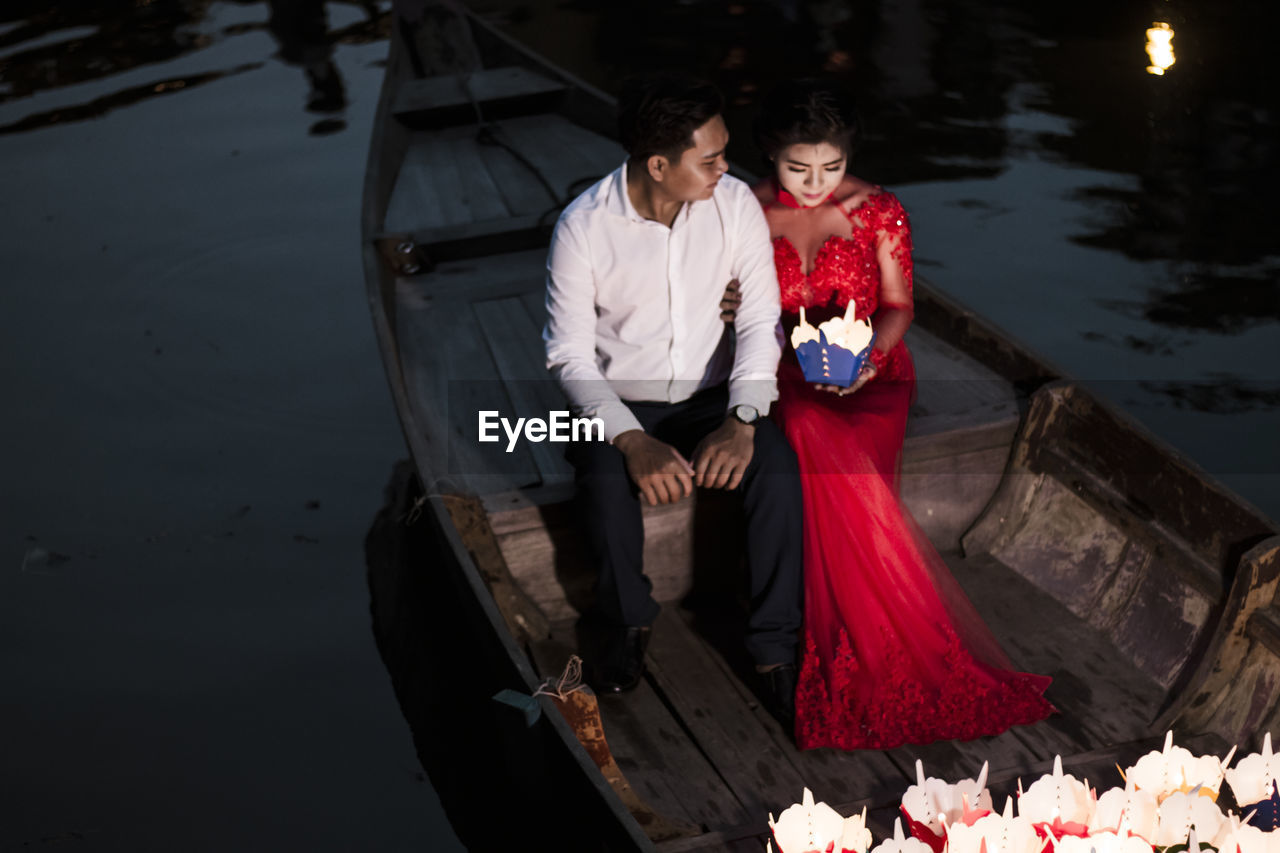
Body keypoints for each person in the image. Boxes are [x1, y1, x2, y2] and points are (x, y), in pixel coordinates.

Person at [750, 79, 1055, 749]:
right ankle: (846, 627)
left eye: (830, 166)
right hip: (786, 367)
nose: (814, 182)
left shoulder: (877, 209)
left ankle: (877, 630)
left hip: (872, 371)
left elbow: (899, 306)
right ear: (770, 156)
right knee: (803, 424)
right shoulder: (744, 210)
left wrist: (868, 360)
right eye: (797, 168)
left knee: (830, 438)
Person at [543, 74, 804, 718]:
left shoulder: (734, 203)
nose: (725, 168)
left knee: (777, 468)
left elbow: (759, 319)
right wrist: (632, 440)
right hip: (620, 401)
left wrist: (742, 420)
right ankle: (626, 620)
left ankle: (775, 644)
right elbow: (569, 355)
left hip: (714, 395)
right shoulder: (582, 228)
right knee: (603, 478)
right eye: (709, 158)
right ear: (659, 165)